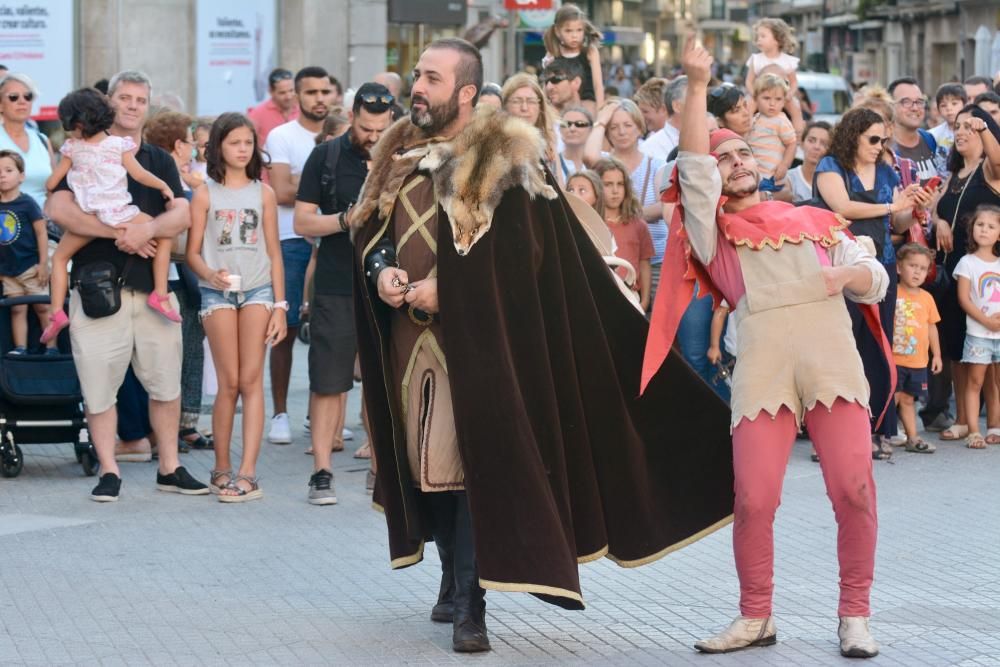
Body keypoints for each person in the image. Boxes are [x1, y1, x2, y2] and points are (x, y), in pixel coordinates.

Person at [351, 37, 734, 654]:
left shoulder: (506, 159)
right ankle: (452, 578)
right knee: (425, 471)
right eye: (417, 75)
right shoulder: (397, 153)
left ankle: (472, 603)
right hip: (404, 340)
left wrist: (447, 289)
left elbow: (524, 256)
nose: (416, 87)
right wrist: (382, 273)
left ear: (467, 93)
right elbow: (371, 232)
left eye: (431, 77)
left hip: (480, 346)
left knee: (474, 467)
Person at [645, 35, 889, 659]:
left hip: (833, 362)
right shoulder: (713, 235)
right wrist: (698, 89)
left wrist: (848, 277)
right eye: (723, 160)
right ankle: (756, 617)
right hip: (763, 370)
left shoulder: (811, 217)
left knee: (855, 488)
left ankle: (855, 614)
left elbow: (873, 274)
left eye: (740, 154)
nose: (736, 162)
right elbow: (695, 172)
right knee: (754, 497)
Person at [46, 69, 208, 501]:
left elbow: (182, 215)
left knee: (166, 385)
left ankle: (170, 467)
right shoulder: (80, 150)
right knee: (99, 389)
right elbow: (57, 207)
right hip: (97, 292)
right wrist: (119, 232)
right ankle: (109, 469)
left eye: (141, 98)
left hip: (151, 293)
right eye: (125, 97)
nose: (133, 105)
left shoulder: (155, 158)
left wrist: (147, 228)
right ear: (108, 102)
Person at [293, 83, 393, 505]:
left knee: (382, 381)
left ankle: (380, 471)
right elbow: (302, 221)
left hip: (387, 283)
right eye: (367, 127)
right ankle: (321, 472)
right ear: (352, 117)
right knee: (328, 382)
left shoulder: (401, 157)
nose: (373, 136)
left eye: (381, 128)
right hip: (336, 282)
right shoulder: (327, 156)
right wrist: (345, 219)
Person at [815, 107, 931, 458]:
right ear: (854, 134)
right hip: (839, 264)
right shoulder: (831, 165)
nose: (880, 146)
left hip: (881, 265)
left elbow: (896, 224)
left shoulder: (884, 170)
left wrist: (913, 208)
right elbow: (842, 207)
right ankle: (831, 435)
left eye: (884, 140)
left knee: (878, 350)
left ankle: (876, 430)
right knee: (840, 348)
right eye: (874, 139)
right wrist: (889, 207)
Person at [187, 112, 287, 500]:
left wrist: (280, 305)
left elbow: (276, 253)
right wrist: (209, 274)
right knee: (228, 382)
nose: (243, 149)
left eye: (248, 142)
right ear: (218, 148)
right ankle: (221, 467)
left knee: (251, 380)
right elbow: (192, 252)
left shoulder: (264, 193)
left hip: (260, 290)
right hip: (218, 293)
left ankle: (248, 473)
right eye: (234, 143)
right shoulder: (204, 194)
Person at [41, 88, 181, 345]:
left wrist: (51, 185)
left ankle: (56, 312)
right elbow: (139, 175)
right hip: (119, 212)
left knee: (60, 259)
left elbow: (52, 183)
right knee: (163, 236)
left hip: (88, 216)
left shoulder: (72, 149)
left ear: (77, 123)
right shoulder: (118, 145)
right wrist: (163, 185)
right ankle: (160, 294)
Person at [264, 66, 336, 444]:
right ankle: (279, 412)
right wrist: (327, 193)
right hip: (291, 240)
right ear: (296, 96)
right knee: (286, 328)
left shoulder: (343, 135)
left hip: (335, 240)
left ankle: (318, 413)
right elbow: (280, 191)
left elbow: (295, 188)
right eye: (311, 92)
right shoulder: (282, 135)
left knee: (327, 329)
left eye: (325, 91)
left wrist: (301, 185)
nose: (319, 98)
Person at [143, 111, 213, 451]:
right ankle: (166, 429)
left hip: (188, 270)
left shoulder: (189, 177)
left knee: (192, 345)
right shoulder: (162, 176)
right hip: (169, 272)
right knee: (174, 350)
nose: (194, 150)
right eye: (190, 142)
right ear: (177, 144)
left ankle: (187, 422)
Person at [931, 106, 1000, 443]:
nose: (960, 132)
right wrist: (938, 220)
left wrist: (985, 127)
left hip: (987, 273)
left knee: (987, 348)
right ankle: (962, 418)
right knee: (958, 345)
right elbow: (936, 208)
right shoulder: (955, 175)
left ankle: (992, 423)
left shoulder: (989, 169)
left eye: (967, 127)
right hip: (954, 270)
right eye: (956, 127)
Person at [583, 99, 666, 292]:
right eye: (614, 127)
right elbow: (588, 157)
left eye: (628, 125)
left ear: (639, 127)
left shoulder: (657, 164)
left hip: (656, 260)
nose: (622, 132)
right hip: (612, 259)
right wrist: (601, 120)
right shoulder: (603, 162)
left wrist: (624, 216)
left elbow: (664, 205)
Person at [0, 149, 57, 354]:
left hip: (30, 265)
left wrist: (43, 264)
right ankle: (20, 348)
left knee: (42, 307)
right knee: (17, 309)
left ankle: (52, 347)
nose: (2, 175)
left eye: (8, 170)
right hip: (7, 270)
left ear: (21, 176)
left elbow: (42, 233)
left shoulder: (27, 203)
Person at [954, 204, 1000, 449]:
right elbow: (964, 299)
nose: (984, 230)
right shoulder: (966, 262)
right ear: (972, 229)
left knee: (997, 383)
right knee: (975, 382)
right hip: (978, 335)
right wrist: (986, 322)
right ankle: (974, 431)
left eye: (991, 226)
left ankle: (995, 427)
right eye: (980, 225)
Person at [892, 243, 942, 453]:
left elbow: (932, 327)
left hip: (917, 361)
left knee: (908, 399)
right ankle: (878, 436)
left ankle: (913, 438)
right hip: (894, 359)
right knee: (890, 398)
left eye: (922, 268)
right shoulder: (891, 294)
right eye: (912, 266)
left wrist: (937, 355)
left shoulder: (927, 298)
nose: (917, 272)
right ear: (898, 267)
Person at [593, 157, 653, 309]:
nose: (615, 191)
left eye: (620, 184)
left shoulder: (638, 225)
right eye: (608, 184)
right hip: (598, 297)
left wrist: (645, 300)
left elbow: (644, 263)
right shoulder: (590, 223)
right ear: (596, 187)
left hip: (631, 296)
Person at [0, 73, 54, 208]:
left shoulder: (42, 140)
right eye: (13, 97)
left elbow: (53, 189)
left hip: (44, 222)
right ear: (0, 105)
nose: (22, 101)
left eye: (27, 96)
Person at [542, 3, 603, 111]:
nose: (574, 35)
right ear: (557, 31)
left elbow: (598, 85)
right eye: (568, 31)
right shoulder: (553, 53)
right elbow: (547, 86)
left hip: (587, 103)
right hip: (561, 105)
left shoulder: (590, 51)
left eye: (579, 30)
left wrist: (600, 111)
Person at [501, 73, 560, 176]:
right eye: (517, 101)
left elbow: (558, 188)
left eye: (531, 101)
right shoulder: (495, 144)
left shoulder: (548, 146)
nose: (524, 108)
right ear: (505, 106)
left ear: (540, 107)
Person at [747, 73, 797, 189]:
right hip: (755, 173)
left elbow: (792, 143)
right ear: (756, 99)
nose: (772, 104)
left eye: (778, 99)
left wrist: (784, 165)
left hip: (771, 176)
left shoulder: (781, 121)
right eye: (766, 98)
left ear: (784, 101)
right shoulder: (755, 118)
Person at [889, 77, 937, 182]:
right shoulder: (885, 149)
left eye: (919, 102)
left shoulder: (931, 140)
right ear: (890, 106)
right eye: (906, 102)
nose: (915, 108)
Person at [744, 19, 799, 101]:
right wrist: (753, 94)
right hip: (760, 97)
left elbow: (794, 82)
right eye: (758, 36)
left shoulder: (787, 61)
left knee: (795, 105)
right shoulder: (756, 59)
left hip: (781, 98)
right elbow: (749, 81)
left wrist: (790, 94)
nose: (759, 39)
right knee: (749, 103)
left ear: (777, 40)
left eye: (763, 36)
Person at [248, 68, 299, 146]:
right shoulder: (257, 114)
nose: (288, 96)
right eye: (282, 93)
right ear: (271, 92)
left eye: (291, 90)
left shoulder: (303, 111)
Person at [640, 76, 685, 161]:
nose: (641, 117)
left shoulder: (707, 136)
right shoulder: (648, 148)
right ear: (676, 106)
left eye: (645, 111)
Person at [929, 83, 968, 177]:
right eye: (943, 105)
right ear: (938, 109)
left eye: (954, 103)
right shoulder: (933, 134)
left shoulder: (973, 130)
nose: (949, 109)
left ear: (965, 104)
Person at [786, 121, 831, 203]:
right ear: (802, 143)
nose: (816, 147)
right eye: (811, 140)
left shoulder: (835, 183)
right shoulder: (788, 179)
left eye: (824, 143)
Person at [557, 106, 591, 181]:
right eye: (566, 124)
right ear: (559, 129)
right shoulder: (551, 163)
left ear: (591, 129)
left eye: (580, 124)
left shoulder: (603, 158)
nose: (572, 129)